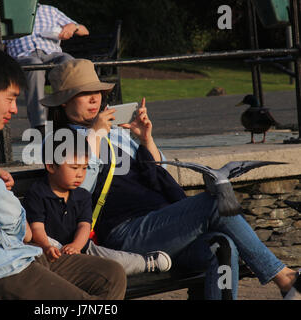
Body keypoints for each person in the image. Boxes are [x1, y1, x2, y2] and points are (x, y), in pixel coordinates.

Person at [39, 58, 301, 300]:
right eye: (84, 93)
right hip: (125, 234)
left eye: (96, 91)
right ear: (64, 100)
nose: (94, 98)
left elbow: (159, 176)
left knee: (223, 246)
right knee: (215, 202)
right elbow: (75, 198)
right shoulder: (61, 141)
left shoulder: (116, 133)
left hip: (163, 228)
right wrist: (94, 137)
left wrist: (146, 140)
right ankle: (285, 279)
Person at [0, 47, 126, 300]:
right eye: (10, 98)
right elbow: (4, 212)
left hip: (13, 257)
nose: (15, 109)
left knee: (112, 274)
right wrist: (31, 233)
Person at [24, 129, 172, 275]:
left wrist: (76, 245)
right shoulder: (38, 193)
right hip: (49, 249)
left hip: (81, 247)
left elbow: (84, 225)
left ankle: (145, 263)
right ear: (51, 166)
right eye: (74, 168)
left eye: (84, 167)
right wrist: (46, 246)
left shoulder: (82, 195)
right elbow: (37, 227)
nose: (80, 174)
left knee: (114, 261)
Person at [4, 3, 89, 135]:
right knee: (34, 64)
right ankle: (40, 126)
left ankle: (73, 120)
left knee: (69, 62)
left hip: (52, 55)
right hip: (23, 57)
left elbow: (84, 30)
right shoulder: (8, 12)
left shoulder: (50, 10)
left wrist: (73, 27)